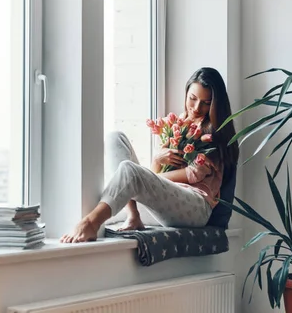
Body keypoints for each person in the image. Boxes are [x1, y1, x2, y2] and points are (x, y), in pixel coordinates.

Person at [60, 67, 239, 243]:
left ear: (215, 104)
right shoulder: (178, 124)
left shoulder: (214, 133)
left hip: (195, 208)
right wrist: (156, 161)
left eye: (205, 103)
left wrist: (147, 179)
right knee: (116, 139)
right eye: (192, 98)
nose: (196, 107)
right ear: (186, 93)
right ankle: (133, 215)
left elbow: (192, 174)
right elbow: (157, 175)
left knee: (131, 172)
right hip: (164, 207)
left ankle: (91, 222)